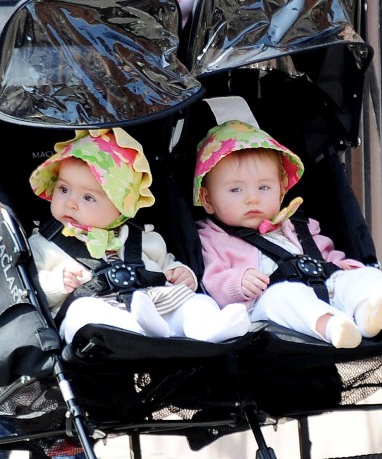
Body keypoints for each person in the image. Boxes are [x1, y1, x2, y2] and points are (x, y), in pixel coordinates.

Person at [28, 128, 251, 344]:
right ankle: (136, 332)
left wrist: (183, 274)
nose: (70, 203)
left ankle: (210, 328)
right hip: (102, 312)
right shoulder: (45, 245)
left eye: (88, 197)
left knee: (195, 302)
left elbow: (166, 265)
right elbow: (29, 292)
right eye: (64, 189)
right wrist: (58, 283)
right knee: (81, 313)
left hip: (155, 304)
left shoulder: (145, 238)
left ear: (121, 206)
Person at [193, 120, 382, 348]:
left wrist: (345, 268)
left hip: (325, 287)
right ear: (208, 199)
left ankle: (367, 313)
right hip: (266, 306)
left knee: (363, 275)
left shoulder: (298, 225)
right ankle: (334, 327)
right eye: (236, 190)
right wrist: (238, 283)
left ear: (282, 189)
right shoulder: (213, 236)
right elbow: (212, 280)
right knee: (283, 297)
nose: (252, 198)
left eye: (264, 188)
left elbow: (326, 255)